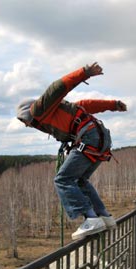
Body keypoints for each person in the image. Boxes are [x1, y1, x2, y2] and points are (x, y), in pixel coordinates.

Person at [16, 62, 127, 240]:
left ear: (26, 114)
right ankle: (104, 217)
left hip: (90, 138)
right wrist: (113, 104)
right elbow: (87, 105)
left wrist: (84, 73)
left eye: (24, 121)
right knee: (80, 180)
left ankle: (91, 218)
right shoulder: (60, 112)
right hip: (101, 139)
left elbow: (57, 88)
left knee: (62, 179)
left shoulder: (38, 110)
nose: (27, 125)